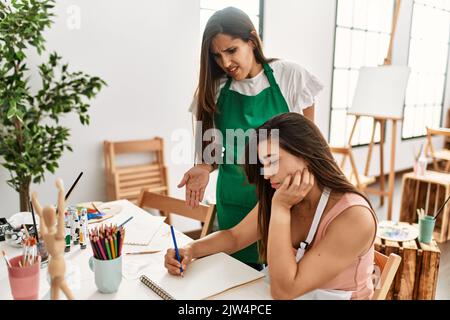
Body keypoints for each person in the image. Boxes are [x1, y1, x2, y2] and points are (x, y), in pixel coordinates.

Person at [167, 113, 378, 300]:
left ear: (305, 155)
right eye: (263, 164)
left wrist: (280, 210)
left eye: (272, 161)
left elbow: (284, 292)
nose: (266, 174)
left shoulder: (354, 217)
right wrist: (190, 249)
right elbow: (235, 236)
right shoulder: (285, 194)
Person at [178, 6, 323, 270]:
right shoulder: (214, 89)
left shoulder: (290, 76)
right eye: (217, 56)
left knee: (280, 277)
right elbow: (210, 153)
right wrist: (202, 167)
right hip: (234, 202)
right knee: (235, 277)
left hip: (284, 202)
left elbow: (312, 150)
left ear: (252, 41)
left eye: (231, 50)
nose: (225, 63)